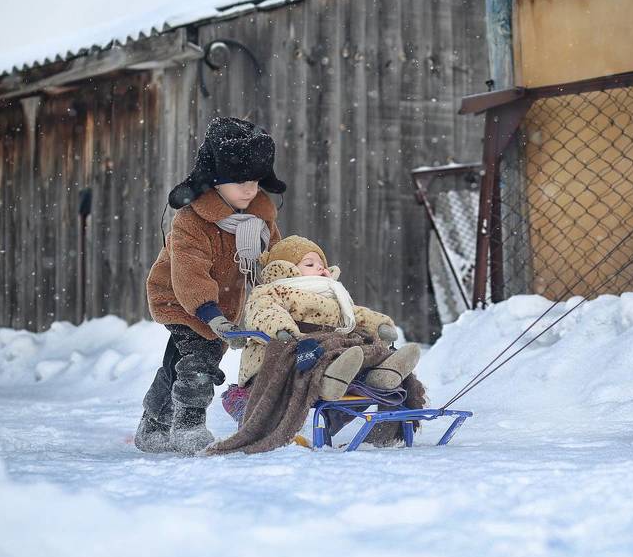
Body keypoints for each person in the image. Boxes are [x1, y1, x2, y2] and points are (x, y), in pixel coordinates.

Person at [134, 117, 284, 455]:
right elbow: (189, 272)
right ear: (215, 181)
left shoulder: (260, 220)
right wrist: (211, 314)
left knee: (177, 361)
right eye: (239, 181)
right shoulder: (191, 220)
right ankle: (188, 424)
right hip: (181, 298)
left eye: (256, 181)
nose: (249, 189)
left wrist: (286, 285)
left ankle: (154, 423)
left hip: (223, 304)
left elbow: (272, 260)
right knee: (199, 359)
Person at [206, 235, 425, 455]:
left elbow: (357, 315)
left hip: (334, 349)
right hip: (292, 350)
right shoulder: (273, 291)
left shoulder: (336, 296)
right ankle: (329, 381)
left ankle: (380, 375)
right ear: (286, 269)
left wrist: (378, 325)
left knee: (362, 345)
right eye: (310, 264)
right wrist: (283, 329)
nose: (320, 268)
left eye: (321, 264)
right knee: (330, 349)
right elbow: (264, 311)